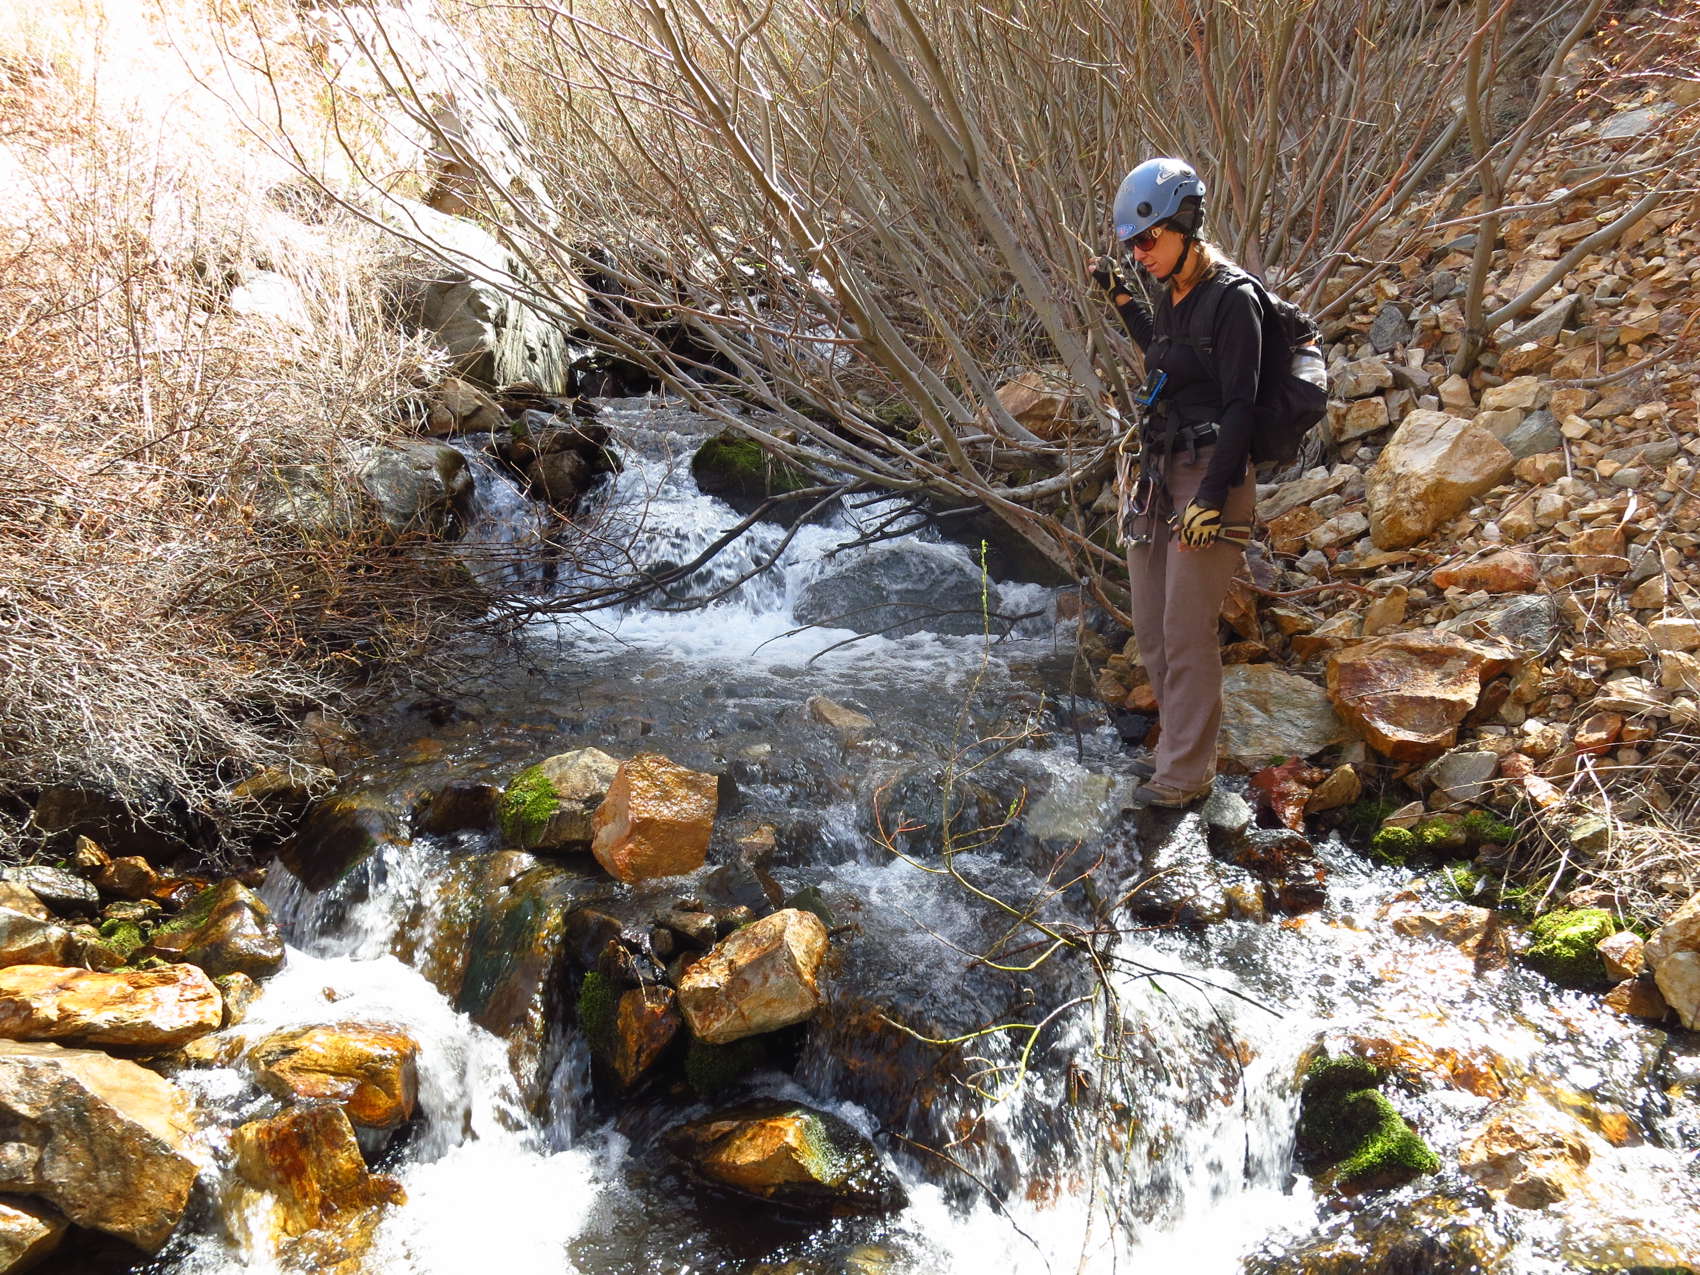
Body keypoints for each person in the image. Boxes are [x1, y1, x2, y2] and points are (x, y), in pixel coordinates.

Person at [1089, 157, 1260, 809]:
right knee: (1152, 628)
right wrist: (1121, 297)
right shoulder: (1173, 293)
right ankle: (1173, 754)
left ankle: (1186, 774)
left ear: (1187, 223)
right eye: (1132, 244)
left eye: (1148, 239)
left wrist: (1211, 499)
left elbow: (1242, 407)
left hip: (1212, 473)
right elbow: (1165, 352)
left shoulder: (1234, 300)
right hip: (1159, 470)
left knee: (1187, 629)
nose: (1140, 253)